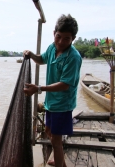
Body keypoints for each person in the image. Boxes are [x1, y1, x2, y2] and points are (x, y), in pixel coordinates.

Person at [23, 14, 82, 167]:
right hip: (51, 103)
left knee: (56, 141)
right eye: (59, 36)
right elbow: (41, 59)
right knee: (49, 132)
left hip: (63, 104)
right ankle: (59, 160)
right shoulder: (51, 47)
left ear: (73, 38)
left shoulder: (73, 57)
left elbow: (65, 84)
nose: (61, 42)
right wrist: (31, 55)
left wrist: (39, 88)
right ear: (54, 33)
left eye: (67, 39)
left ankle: (59, 163)